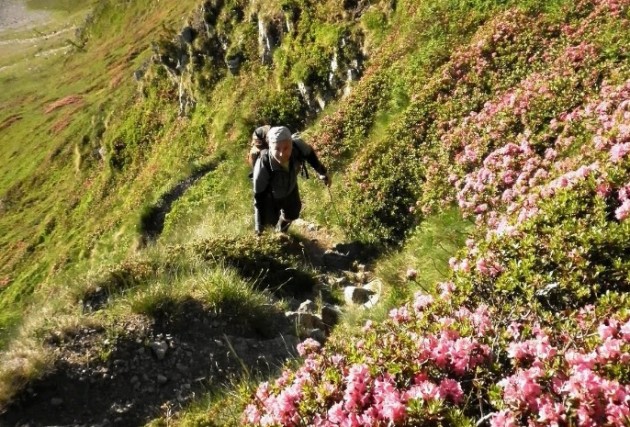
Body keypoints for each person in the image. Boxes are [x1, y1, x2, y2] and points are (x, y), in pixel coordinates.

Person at [252, 126, 330, 235]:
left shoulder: (298, 146)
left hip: (290, 188)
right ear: (270, 147)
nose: (282, 154)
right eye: (277, 149)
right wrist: (258, 229)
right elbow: (259, 199)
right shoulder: (263, 165)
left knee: (293, 213)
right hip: (270, 197)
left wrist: (322, 173)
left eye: (286, 148)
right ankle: (276, 238)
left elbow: (310, 155)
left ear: (292, 144)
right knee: (268, 226)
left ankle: (282, 233)